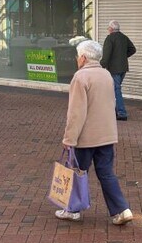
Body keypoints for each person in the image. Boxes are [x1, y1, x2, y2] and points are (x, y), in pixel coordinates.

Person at [55, 39, 133, 225]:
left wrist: (69, 138)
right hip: (106, 135)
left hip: (86, 137)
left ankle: (73, 210)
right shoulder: (106, 75)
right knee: (106, 173)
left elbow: (76, 112)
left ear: (82, 58)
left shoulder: (80, 78)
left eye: (77, 56)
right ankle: (122, 210)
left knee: (78, 172)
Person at [100, 20, 136, 121]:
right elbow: (133, 49)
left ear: (111, 29)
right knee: (115, 89)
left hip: (114, 69)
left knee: (116, 90)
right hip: (123, 68)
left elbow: (106, 55)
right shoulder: (124, 37)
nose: (108, 30)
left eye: (108, 28)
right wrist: (123, 57)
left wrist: (101, 66)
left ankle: (121, 112)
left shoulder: (110, 38)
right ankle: (114, 110)